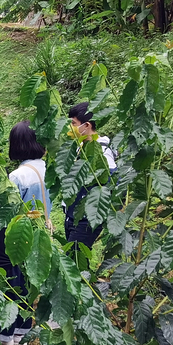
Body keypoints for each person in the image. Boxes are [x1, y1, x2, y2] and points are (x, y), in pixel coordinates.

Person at [0, 120, 53, 345]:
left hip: (20, 232)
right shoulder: (48, 169)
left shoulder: (18, 176)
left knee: (12, 279)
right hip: (42, 231)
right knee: (30, 280)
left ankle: (5, 334)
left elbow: (7, 209)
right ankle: (23, 331)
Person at [64, 102, 117, 251]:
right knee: (77, 260)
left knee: (72, 259)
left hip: (85, 220)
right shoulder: (81, 149)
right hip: (72, 216)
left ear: (86, 125)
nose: (70, 127)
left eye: (73, 123)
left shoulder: (102, 152)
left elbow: (113, 184)